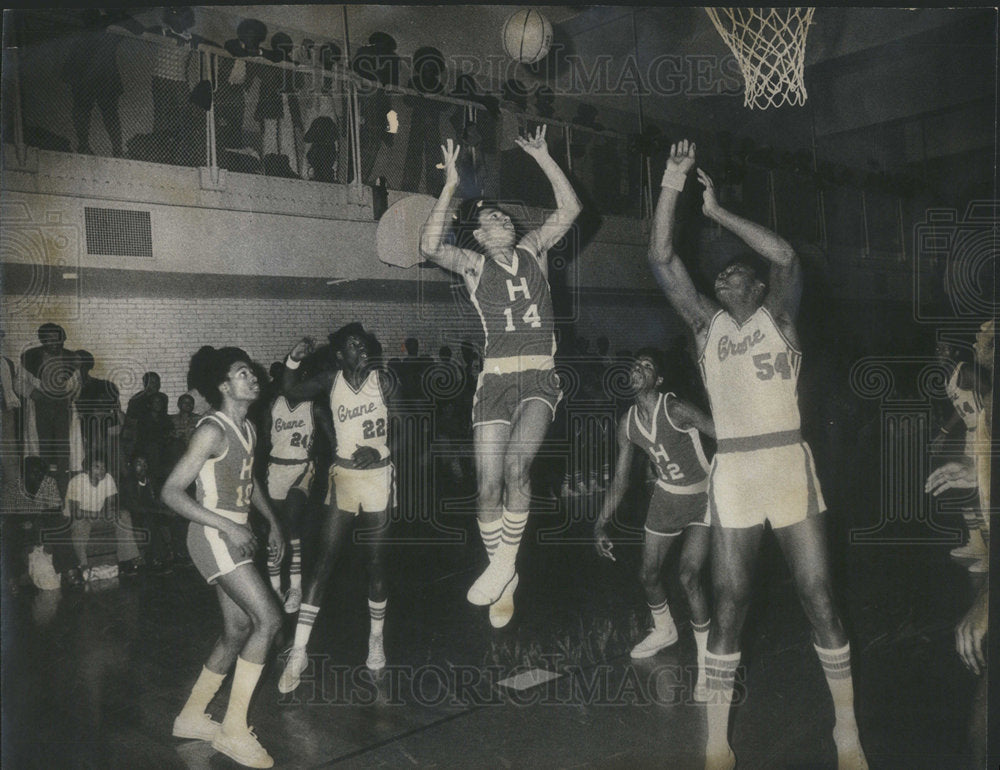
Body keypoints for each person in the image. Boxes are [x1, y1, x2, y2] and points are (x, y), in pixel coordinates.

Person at [647, 140, 866, 770]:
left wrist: (718, 213)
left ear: (760, 285)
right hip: (737, 470)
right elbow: (660, 256)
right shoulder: (705, 327)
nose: (722, 276)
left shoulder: (782, 318)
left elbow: (788, 254)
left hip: (788, 465)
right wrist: (674, 179)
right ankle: (717, 740)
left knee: (819, 593)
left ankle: (845, 731)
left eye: (735, 272)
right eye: (719, 272)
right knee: (732, 599)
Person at [419, 126, 582, 628]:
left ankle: (505, 565)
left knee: (517, 470)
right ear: (480, 235)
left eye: (504, 216)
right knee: (487, 488)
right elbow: (429, 246)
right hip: (493, 382)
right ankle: (503, 575)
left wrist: (544, 157)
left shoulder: (534, 249)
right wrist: (449, 185)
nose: (500, 219)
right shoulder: (471, 266)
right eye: (490, 217)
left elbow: (572, 210)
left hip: (537, 376)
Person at [160, 346, 284, 769]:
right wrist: (230, 527)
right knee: (268, 620)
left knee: (236, 631)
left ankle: (191, 716)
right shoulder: (211, 430)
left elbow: (251, 483)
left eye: (252, 373)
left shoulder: (247, 428)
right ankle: (233, 730)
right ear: (223, 384)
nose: (254, 379)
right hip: (214, 535)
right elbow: (171, 492)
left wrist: (274, 523)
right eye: (243, 373)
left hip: (235, 532)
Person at [277, 323, 396, 693]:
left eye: (363, 343)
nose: (360, 348)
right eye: (352, 345)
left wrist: (378, 450)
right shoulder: (330, 380)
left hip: (378, 475)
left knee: (376, 562)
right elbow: (291, 390)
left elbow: (410, 426)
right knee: (324, 561)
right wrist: (293, 360)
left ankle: (375, 639)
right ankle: (298, 652)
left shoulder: (385, 381)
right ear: (340, 354)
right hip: (344, 477)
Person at [593, 348, 715, 694]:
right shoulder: (628, 423)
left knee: (689, 575)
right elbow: (621, 479)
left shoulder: (676, 408)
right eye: (635, 364)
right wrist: (599, 523)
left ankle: (707, 665)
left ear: (658, 380)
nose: (637, 368)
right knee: (648, 574)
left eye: (646, 366)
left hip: (703, 495)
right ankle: (665, 630)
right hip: (667, 496)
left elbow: (722, 434)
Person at [264, 381, 330, 614]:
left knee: (292, 519)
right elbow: (265, 440)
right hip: (276, 469)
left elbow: (333, 441)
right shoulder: (274, 405)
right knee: (276, 528)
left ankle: (295, 587)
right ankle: (274, 589)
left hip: (302, 468)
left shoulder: (315, 408)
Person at [930, 339, 986, 572]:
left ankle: (991, 553)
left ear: (954, 350)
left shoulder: (965, 370)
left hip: (985, 433)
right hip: (972, 434)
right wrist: (944, 431)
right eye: (937, 348)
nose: (939, 352)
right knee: (966, 488)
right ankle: (977, 544)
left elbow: (991, 394)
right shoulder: (950, 376)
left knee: (984, 492)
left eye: (944, 347)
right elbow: (961, 406)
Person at [64, 455, 142, 580]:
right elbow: (75, 512)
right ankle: (82, 566)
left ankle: (126, 561)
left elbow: (112, 503)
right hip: (80, 518)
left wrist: (113, 511)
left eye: (103, 466)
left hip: (98, 517)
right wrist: (101, 514)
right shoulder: (76, 482)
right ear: (87, 469)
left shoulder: (108, 478)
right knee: (80, 523)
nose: (101, 470)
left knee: (124, 515)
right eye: (97, 467)